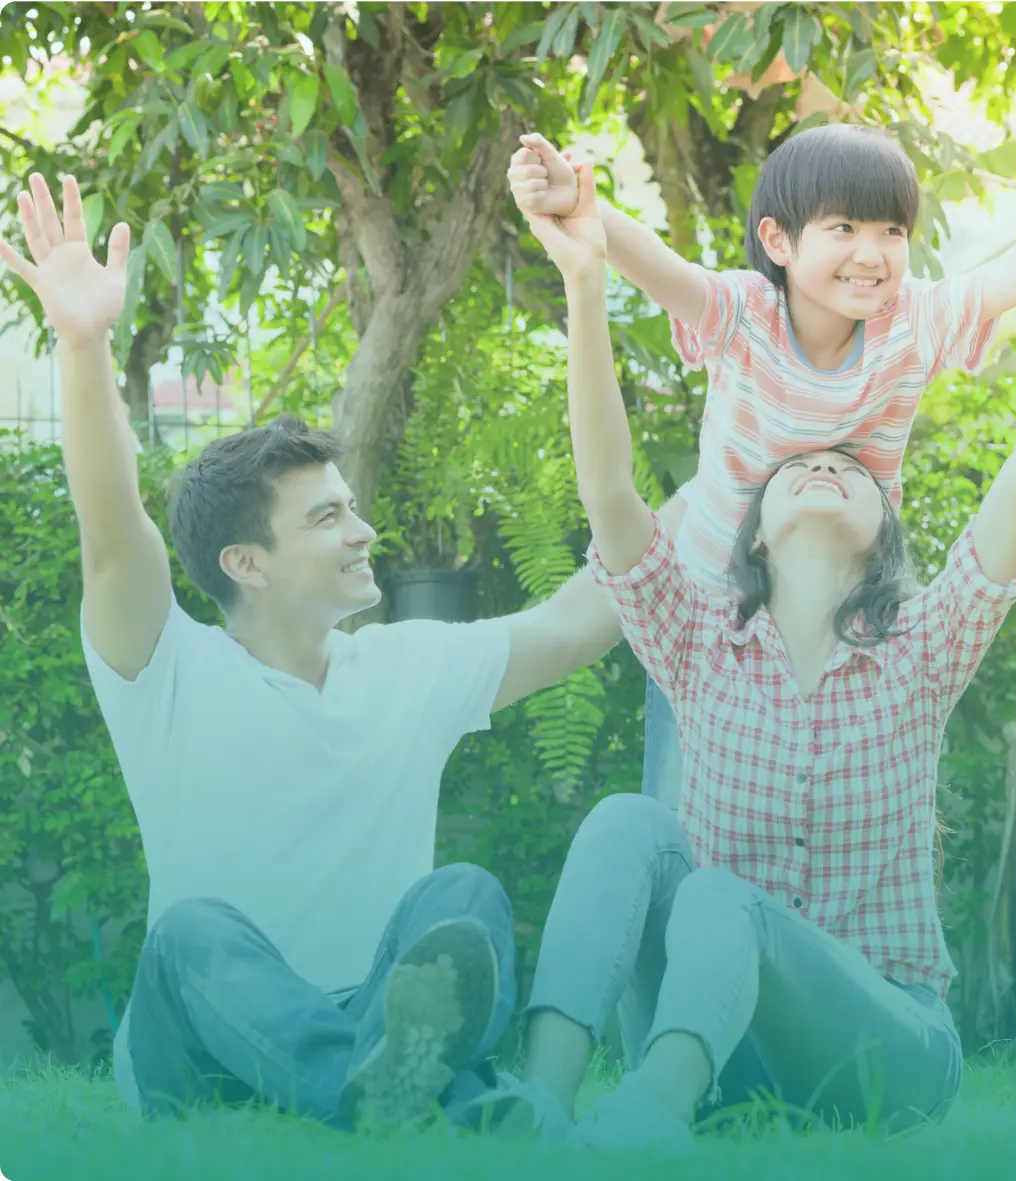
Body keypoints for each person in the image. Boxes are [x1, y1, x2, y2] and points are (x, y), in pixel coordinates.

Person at [484, 159, 1016, 1149]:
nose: (824, 460)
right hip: (726, 1053)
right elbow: (609, 494)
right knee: (625, 821)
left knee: (723, 897)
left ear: (882, 528)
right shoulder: (696, 645)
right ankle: (540, 1098)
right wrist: (583, 280)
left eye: (849, 466)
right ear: (751, 530)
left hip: (887, 1048)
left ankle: (650, 1104)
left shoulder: (922, 650)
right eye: (797, 468)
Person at [0, 173, 650, 1131]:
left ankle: (391, 1092)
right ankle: (415, 1096)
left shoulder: (403, 669)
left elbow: (573, 622)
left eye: (351, 507)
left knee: (462, 895)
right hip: (204, 1044)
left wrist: (726, 479)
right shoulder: (165, 671)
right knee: (189, 936)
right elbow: (112, 532)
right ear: (245, 563)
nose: (364, 530)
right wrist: (84, 341)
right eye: (328, 516)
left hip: (369, 1004)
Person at [508, 126, 1016, 811]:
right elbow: (662, 269)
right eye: (842, 228)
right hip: (715, 598)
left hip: (843, 597)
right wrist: (583, 208)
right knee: (682, 800)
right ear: (779, 242)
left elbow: (1003, 279)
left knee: (839, 780)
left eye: (891, 232)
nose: (871, 254)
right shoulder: (744, 314)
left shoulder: (910, 322)